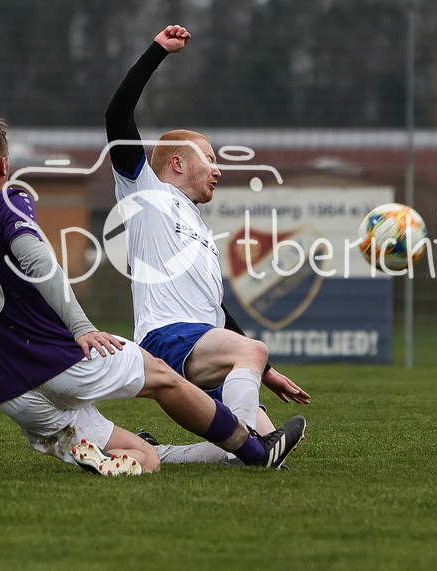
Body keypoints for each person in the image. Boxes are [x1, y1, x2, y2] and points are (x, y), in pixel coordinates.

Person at [0, 110, 306, 475]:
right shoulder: (8, 202)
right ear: (4, 165)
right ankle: (255, 452)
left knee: (146, 458)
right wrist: (82, 328)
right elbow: (43, 267)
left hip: (13, 394)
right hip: (61, 361)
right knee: (164, 378)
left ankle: (101, 457)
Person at [105, 25, 311, 466]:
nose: (218, 169)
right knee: (253, 372)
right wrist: (157, 52)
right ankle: (252, 451)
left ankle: (163, 453)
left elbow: (220, 315)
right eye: (210, 158)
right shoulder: (146, 193)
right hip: (167, 339)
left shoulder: (197, 227)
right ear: (177, 162)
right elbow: (117, 115)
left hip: (201, 343)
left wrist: (269, 375)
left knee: (270, 432)